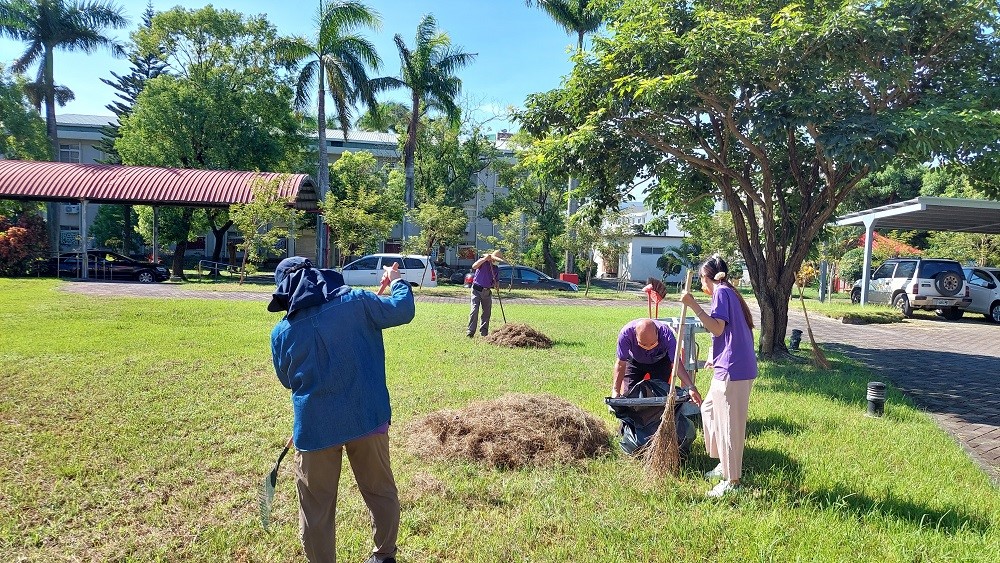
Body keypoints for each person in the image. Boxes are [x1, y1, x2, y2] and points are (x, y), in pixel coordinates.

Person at [268, 256, 414, 563]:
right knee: (380, 491)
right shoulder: (358, 302)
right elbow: (403, 309)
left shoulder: (281, 333)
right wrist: (397, 280)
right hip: (368, 418)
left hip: (315, 429)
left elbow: (286, 380)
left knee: (316, 508)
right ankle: (385, 555)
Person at [680, 255, 757, 498]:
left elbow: (717, 327)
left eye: (701, 278)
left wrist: (693, 304)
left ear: (706, 277)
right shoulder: (727, 293)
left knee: (730, 425)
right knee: (709, 409)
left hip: (734, 370)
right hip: (727, 365)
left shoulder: (722, 292)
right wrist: (715, 352)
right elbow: (725, 333)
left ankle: (733, 481)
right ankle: (724, 462)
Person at [612, 318, 702, 404]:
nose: (648, 347)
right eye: (643, 344)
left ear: (657, 333)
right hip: (634, 361)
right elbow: (621, 363)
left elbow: (676, 364)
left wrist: (691, 387)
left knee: (660, 394)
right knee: (630, 396)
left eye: (652, 344)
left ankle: (656, 417)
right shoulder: (625, 335)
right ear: (635, 335)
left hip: (661, 362)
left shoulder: (667, 336)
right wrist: (615, 390)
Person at [467, 249, 502, 337]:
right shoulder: (483, 262)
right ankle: (470, 332)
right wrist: (484, 259)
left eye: (498, 261)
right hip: (476, 289)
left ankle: (484, 332)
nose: (496, 262)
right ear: (492, 258)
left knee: (487, 312)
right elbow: (474, 266)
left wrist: (496, 285)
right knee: (474, 310)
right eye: (496, 260)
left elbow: (496, 282)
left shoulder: (496, 269)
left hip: (487, 292)